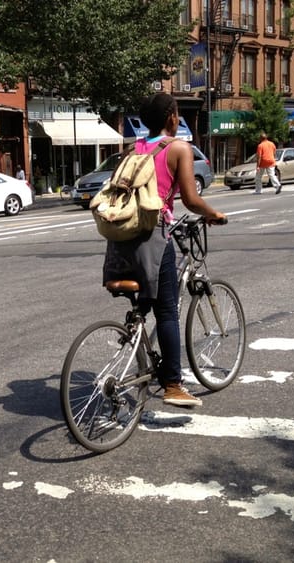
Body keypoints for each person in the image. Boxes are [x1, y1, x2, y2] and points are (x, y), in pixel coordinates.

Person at [103, 93, 227, 407]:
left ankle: (134, 329)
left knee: (149, 296)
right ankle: (173, 384)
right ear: (172, 116)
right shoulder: (178, 148)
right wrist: (213, 214)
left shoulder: (133, 149)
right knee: (168, 312)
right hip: (154, 237)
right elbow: (190, 199)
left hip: (120, 239)